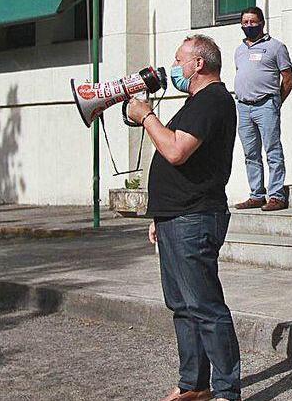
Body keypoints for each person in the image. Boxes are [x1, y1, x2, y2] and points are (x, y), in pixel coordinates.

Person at [126, 35, 240, 401]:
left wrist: (146, 115)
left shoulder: (213, 100)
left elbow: (176, 151)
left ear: (198, 65)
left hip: (195, 217)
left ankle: (226, 390)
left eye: (179, 60)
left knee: (205, 307)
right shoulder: (195, 102)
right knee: (181, 306)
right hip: (175, 216)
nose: (173, 68)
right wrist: (158, 215)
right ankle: (195, 384)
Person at [231, 6, 292, 212]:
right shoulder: (239, 50)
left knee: (272, 151)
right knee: (250, 153)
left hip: (266, 104)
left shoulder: (276, 47)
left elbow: (288, 78)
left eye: (253, 22)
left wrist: (276, 101)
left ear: (262, 23)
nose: (249, 25)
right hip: (243, 106)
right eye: (245, 22)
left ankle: (276, 195)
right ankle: (256, 194)